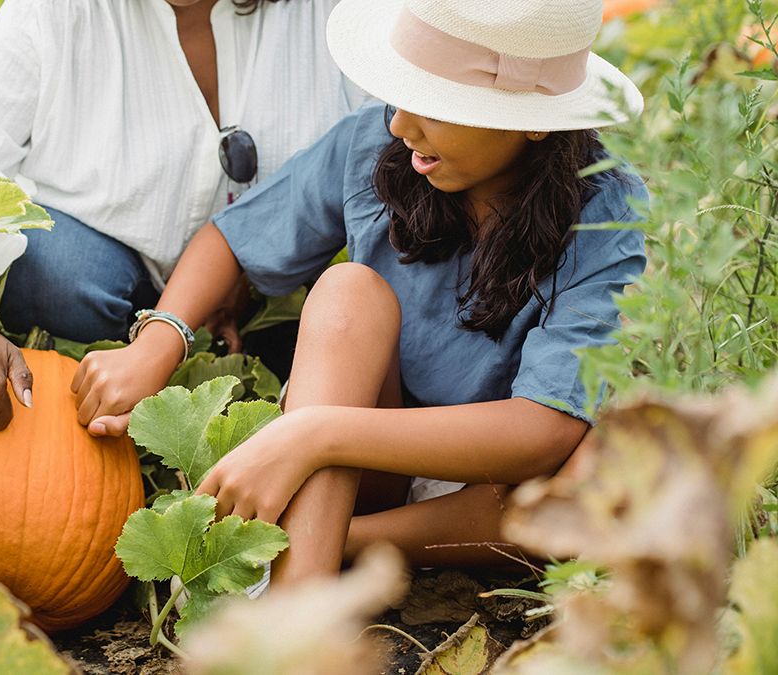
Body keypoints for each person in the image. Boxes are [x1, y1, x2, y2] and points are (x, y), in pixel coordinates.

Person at [71, 0, 648, 585]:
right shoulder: (376, 145)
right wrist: (159, 341)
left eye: (437, 105)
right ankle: (298, 613)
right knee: (350, 290)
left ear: (536, 120)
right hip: (369, 461)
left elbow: (542, 433)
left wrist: (312, 433)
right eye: (403, 93)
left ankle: (333, 544)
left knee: (610, 460)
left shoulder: (605, 211)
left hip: (497, 492)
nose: (401, 125)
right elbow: (233, 238)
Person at [0, 0, 367, 430]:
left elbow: (390, 153)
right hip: (105, 283)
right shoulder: (52, 11)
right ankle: (122, 379)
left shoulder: (337, 14)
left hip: (272, 292)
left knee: (338, 309)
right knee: (52, 269)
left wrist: (254, 260)